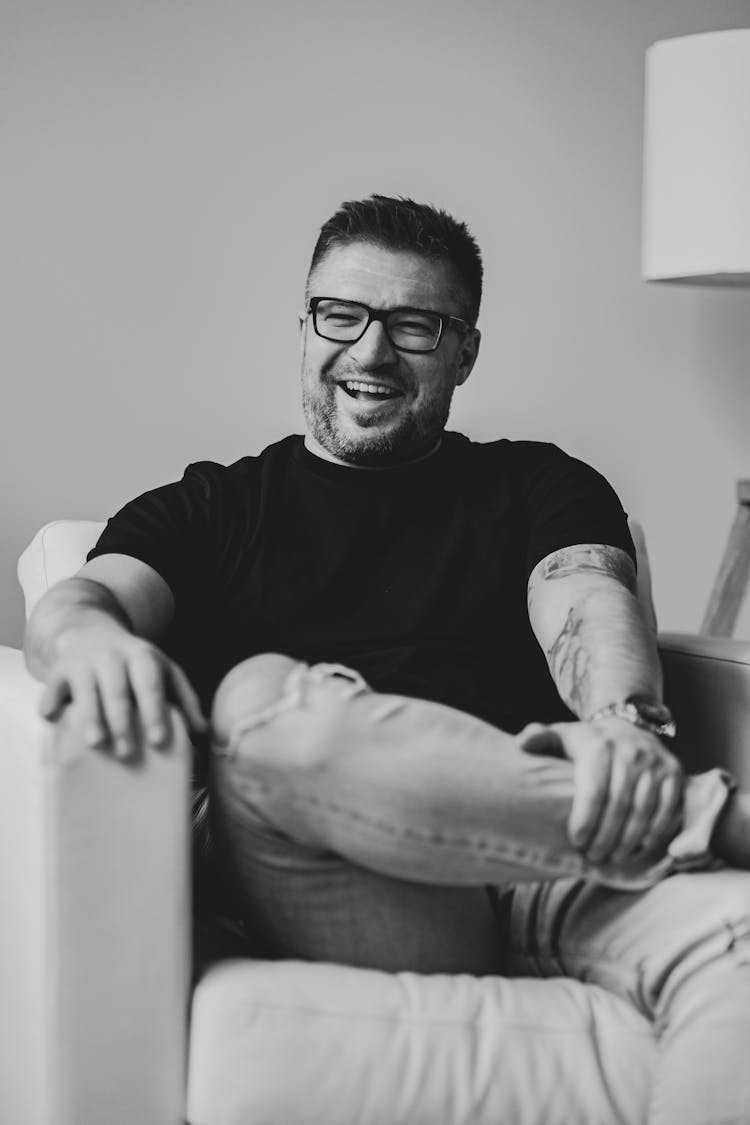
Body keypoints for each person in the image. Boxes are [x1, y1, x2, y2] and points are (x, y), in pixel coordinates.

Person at [24, 195, 750, 1124]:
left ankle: (680, 822)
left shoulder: (539, 483)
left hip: (553, 867)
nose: (370, 352)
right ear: (306, 324)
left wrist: (622, 721)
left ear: (465, 351)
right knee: (261, 710)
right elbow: (90, 600)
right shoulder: (211, 508)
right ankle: (708, 816)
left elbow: (586, 602)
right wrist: (83, 637)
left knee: (737, 941)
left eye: (415, 326)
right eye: (343, 315)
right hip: (337, 874)